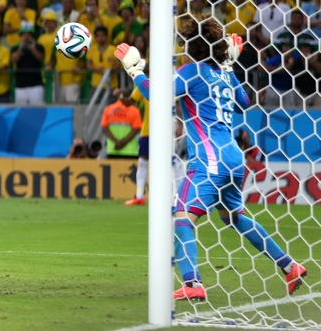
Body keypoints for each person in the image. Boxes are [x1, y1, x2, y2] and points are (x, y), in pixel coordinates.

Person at [114, 19, 307, 301]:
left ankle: (192, 283)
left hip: (209, 159)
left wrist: (135, 71)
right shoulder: (225, 74)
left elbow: (157, 95)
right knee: (235, 217)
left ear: (190, 47)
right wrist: (229, 66)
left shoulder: (191, 71)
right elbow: (245, 101)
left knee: (182, 217)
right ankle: (290, 267)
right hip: (233, 158)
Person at [125, 86, 149, 205]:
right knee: (142, 162)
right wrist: (121, 95)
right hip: (148, 130)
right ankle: (139, 196)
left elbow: (178, 105)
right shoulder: (145, 83)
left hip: (167, 131)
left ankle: (174, 197)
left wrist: (179, 125)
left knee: (170, 163)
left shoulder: (172, 81)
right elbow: (129, 102)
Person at [100, 88, 141, 159]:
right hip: (130, 150)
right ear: (130, 96)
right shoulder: (135, 110)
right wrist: (123, 143)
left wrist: (116, 142)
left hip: (113, 148)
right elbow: (136, 129)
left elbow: (104, 128)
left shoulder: (108, 109)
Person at [10, 22, 45, 105]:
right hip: (20, 85)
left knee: (37, 110)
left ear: (32, 36)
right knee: (20, 110)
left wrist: (33, 49)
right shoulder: (15, 47)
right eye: (24, 34)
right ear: (21, 36)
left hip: (36, 85)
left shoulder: (39, 46)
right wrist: (20, 48)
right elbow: (13, 60)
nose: (26, 37)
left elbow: (41, 58)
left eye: (29, 34)